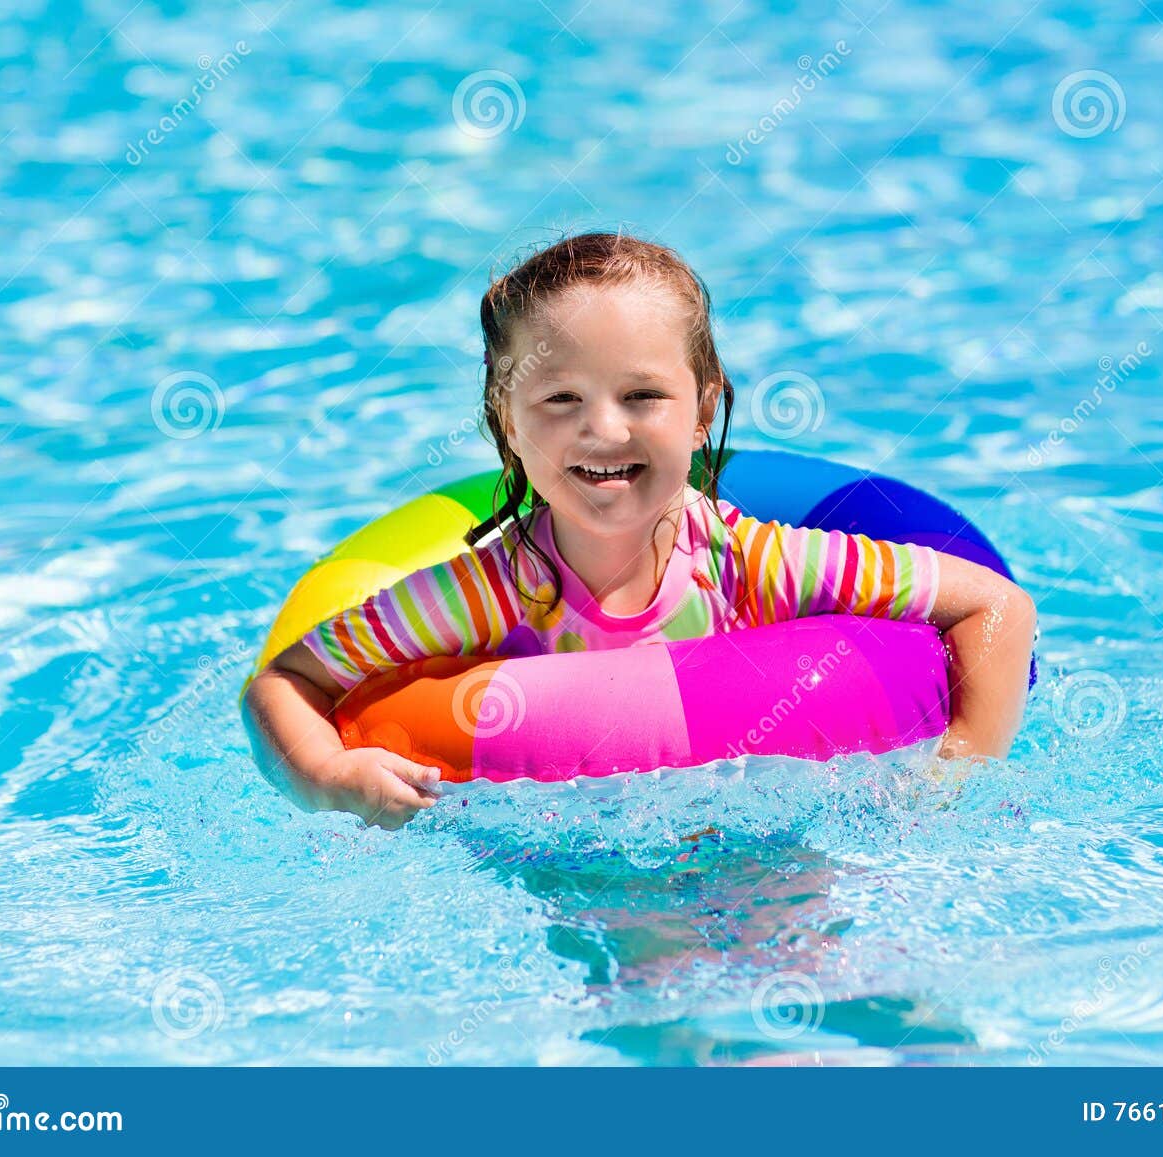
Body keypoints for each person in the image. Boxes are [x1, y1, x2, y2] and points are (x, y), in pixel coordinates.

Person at [243, 232, 1035, 830]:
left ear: (701, 412)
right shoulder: (488, 592)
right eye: (559, 399)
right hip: (575, 851)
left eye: (643, 395)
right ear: (506, 423)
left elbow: (996, 607)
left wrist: (961, 773)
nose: (603, 429)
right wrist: (327, 776)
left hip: (762, 838)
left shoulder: (750, 560)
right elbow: (285, 682)